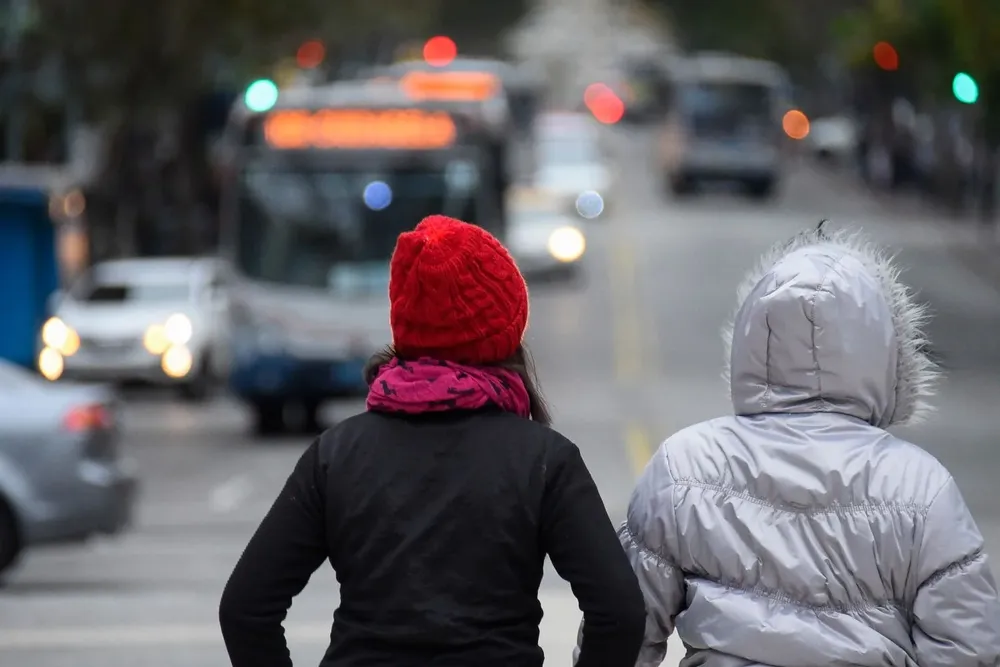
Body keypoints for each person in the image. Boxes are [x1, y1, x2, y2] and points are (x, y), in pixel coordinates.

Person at [220, 215, 646, 667]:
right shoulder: (544, 460)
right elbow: (619, 613)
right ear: (505, 331)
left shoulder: (335, 454)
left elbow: (246, 610)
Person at [612, 224, 1000, 666]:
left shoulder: (683, 467)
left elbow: (622, 628)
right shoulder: (921, 488)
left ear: (752, 339)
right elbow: (968, 646)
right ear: (884, 351)